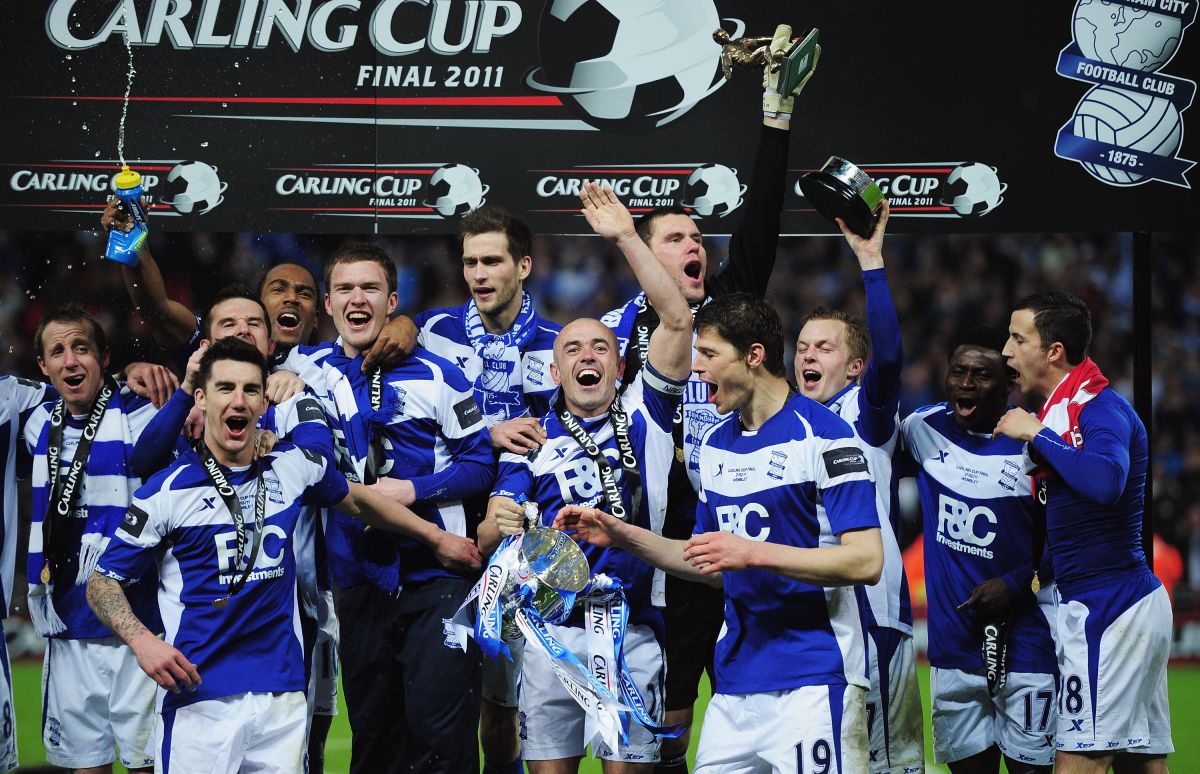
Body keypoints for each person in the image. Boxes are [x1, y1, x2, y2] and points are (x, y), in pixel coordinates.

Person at [84, 337, 482, 771]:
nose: (239, 400)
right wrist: (142, 641)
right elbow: (102, 582)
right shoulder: (164, 492)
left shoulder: (291, 468)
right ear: (201, 397)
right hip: (198, 697)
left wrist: (436, 538)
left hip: (283, 697)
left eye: (250, 390)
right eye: (225, 388)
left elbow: (362, 501)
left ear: (262, 404)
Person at [599, 27, 819, 770]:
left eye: (698, 236)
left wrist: (775, 121)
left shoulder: (725, 311)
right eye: (677, 238)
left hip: (722, 530)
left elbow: (759, 225)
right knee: (647, 719)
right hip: (644, 539)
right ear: (646, 254)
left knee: (710, 708)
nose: (695, 245)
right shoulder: (609, 334)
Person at [555, 292, 883, 773]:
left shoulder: (827, 436)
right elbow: (704, 559)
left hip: (813, 678)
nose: (696, 368)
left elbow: (865, 561)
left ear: (753, 356)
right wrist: (622, 534)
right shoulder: (715, 445)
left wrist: (752, 553)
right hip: (734, 687)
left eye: (708, 354)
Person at [482, 183, 693, 772]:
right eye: (572, 348)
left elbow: (677, 319)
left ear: (620, 364)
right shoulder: (531, 440)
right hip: (550, 634)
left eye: (599, 347)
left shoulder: (646, 415)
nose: (586, 357)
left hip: (631, 628)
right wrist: (501, 526)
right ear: (556, 368)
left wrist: (627, 235)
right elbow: (486, 539)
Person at [282, 241, 496, 774]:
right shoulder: (300, 367)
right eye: (345, 289)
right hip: (357, 583)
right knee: (375, 742)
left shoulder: (441, 373)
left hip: (438, 578)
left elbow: (481, 463)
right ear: (326, 305)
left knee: (441, 740)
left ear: (392, 302)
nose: (358, 299)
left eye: (371, 288)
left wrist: (415, 490)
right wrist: (273, 380)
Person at [126, 283, 344, 772]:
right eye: (228, 324)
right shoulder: (179, 397)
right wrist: (185, 392)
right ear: (204, 343)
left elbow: (327, 468)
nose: (242, 331)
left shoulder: (293, 385)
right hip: (190, 638)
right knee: (147, 749)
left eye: (253, 323)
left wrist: (297, 396)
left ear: (270, 344)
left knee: (310, 746)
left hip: (287, 614)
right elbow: (143, 460)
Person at [994, 291, 1172, 774]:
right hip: (1114, 602)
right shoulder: (1061, 410)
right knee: (1141, 765)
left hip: (1108, 608)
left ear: (1053, 351)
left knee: (1078, 765)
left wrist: (1036, 434)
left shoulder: (1098, 407)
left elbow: (1106, 481)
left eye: (1018, 338)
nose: (1006, 350)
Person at [413, 205, 561, 774]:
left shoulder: (558, 345)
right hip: (444, 525)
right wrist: (488, 432)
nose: (478, 273)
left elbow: (559, 434)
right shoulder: (432, 332)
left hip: (518, 530)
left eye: (492, 260)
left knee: (505, 703)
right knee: (445, 693)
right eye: (470, 261)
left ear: (522, 266)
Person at [792, 201, 923, 773]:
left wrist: (870, 262)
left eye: (824, 347)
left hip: (873, 613)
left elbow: (891, 357)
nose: (808, 356)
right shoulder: (786, 422)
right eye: (801, 347)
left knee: (888, 762)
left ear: (854, 367)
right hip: (810, 614)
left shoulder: (864, 415)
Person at [900, 326, 1057, 773]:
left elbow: (1063, 546)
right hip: (953, 650)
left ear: (1009, 384)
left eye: (982, 375)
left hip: (1028, 644)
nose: (966, 384)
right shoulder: (922, 428)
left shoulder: (1036, 447)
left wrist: (1014, 586)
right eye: (958, 372)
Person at [22, 304, 164, 773]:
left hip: (139, 621)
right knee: (87, 765)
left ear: (104, 356)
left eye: (81, 348)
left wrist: (132, 376)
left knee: (146, 764)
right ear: (43, 367)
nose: (70, 361)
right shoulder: (38, 423)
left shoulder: (142, 413)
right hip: (69, 625)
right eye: (57, 352)